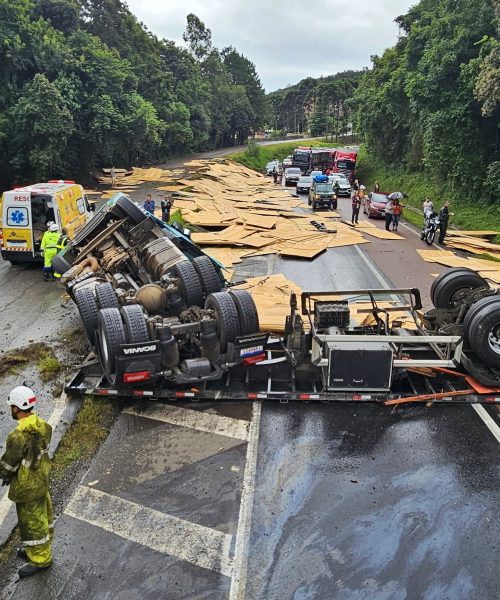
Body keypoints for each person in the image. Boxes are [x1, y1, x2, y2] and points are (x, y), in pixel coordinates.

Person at [0, 386, 53, 578]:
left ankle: (41, 560)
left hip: (27, 487)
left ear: (15, 408)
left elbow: (9, 464)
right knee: (42, 517)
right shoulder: (43, 426)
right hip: (41, 481)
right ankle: (35, 550)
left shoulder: (17, 436)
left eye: (11, 406)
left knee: (32, 524)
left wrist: (4, 475)